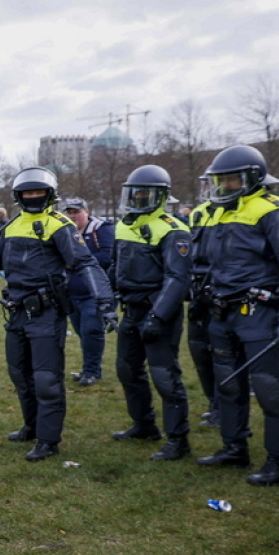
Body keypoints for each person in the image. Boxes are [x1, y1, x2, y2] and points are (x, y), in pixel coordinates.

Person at [0, 167, 116, 461]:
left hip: (46, 311)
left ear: (49, 195)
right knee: (19, 373)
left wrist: (105, 302)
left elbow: (85, 263)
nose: (32, 197)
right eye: (27, 193)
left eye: (38, 192)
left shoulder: (59, 225)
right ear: (18, 196)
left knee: (47, 379)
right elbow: (4, 259)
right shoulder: (13, 224)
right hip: (17, 310)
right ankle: (32, 426)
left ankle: (49, 440)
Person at [195, 145, 279, 486]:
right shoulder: (216, 213)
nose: (225, 186)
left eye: (233, 180)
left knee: (270, 387)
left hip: (259, 312)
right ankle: (234, 448)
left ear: (254, 178)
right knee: (228, 384)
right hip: (221, 312)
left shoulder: (276, 210)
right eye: (220, 180)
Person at [108, 165, 193, 461]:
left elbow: (178, 278)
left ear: (161, 196)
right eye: (135, 193)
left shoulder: (174, 229)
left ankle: (178, 440)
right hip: (130, 310)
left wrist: (158, 317)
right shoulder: (124, 226)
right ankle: (144, 424)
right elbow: (114, 267)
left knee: (165, 376)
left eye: (146, 194)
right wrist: (107, 298)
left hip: (159, 312)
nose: (139, 198)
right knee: (127, 370)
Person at [57, 198, 113, 386]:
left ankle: (91, 371)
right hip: (72, 292)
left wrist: (75, 261)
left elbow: (107, 257)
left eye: (76, 212)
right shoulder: (65, 230)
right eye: (69, 212)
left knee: (92, 331)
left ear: (86, 212)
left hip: (94, 292)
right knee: (82, 332)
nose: (72, 216)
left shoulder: (100, 229)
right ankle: (92, 368)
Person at [186, 176, 225, 428]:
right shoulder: (198, 214)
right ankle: (213, 403)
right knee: (199, 351)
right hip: (198, 290)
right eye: (208, 183)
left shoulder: (232, 213)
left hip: (221, 290)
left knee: (222, 353)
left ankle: (225, 407)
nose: (210, 188)